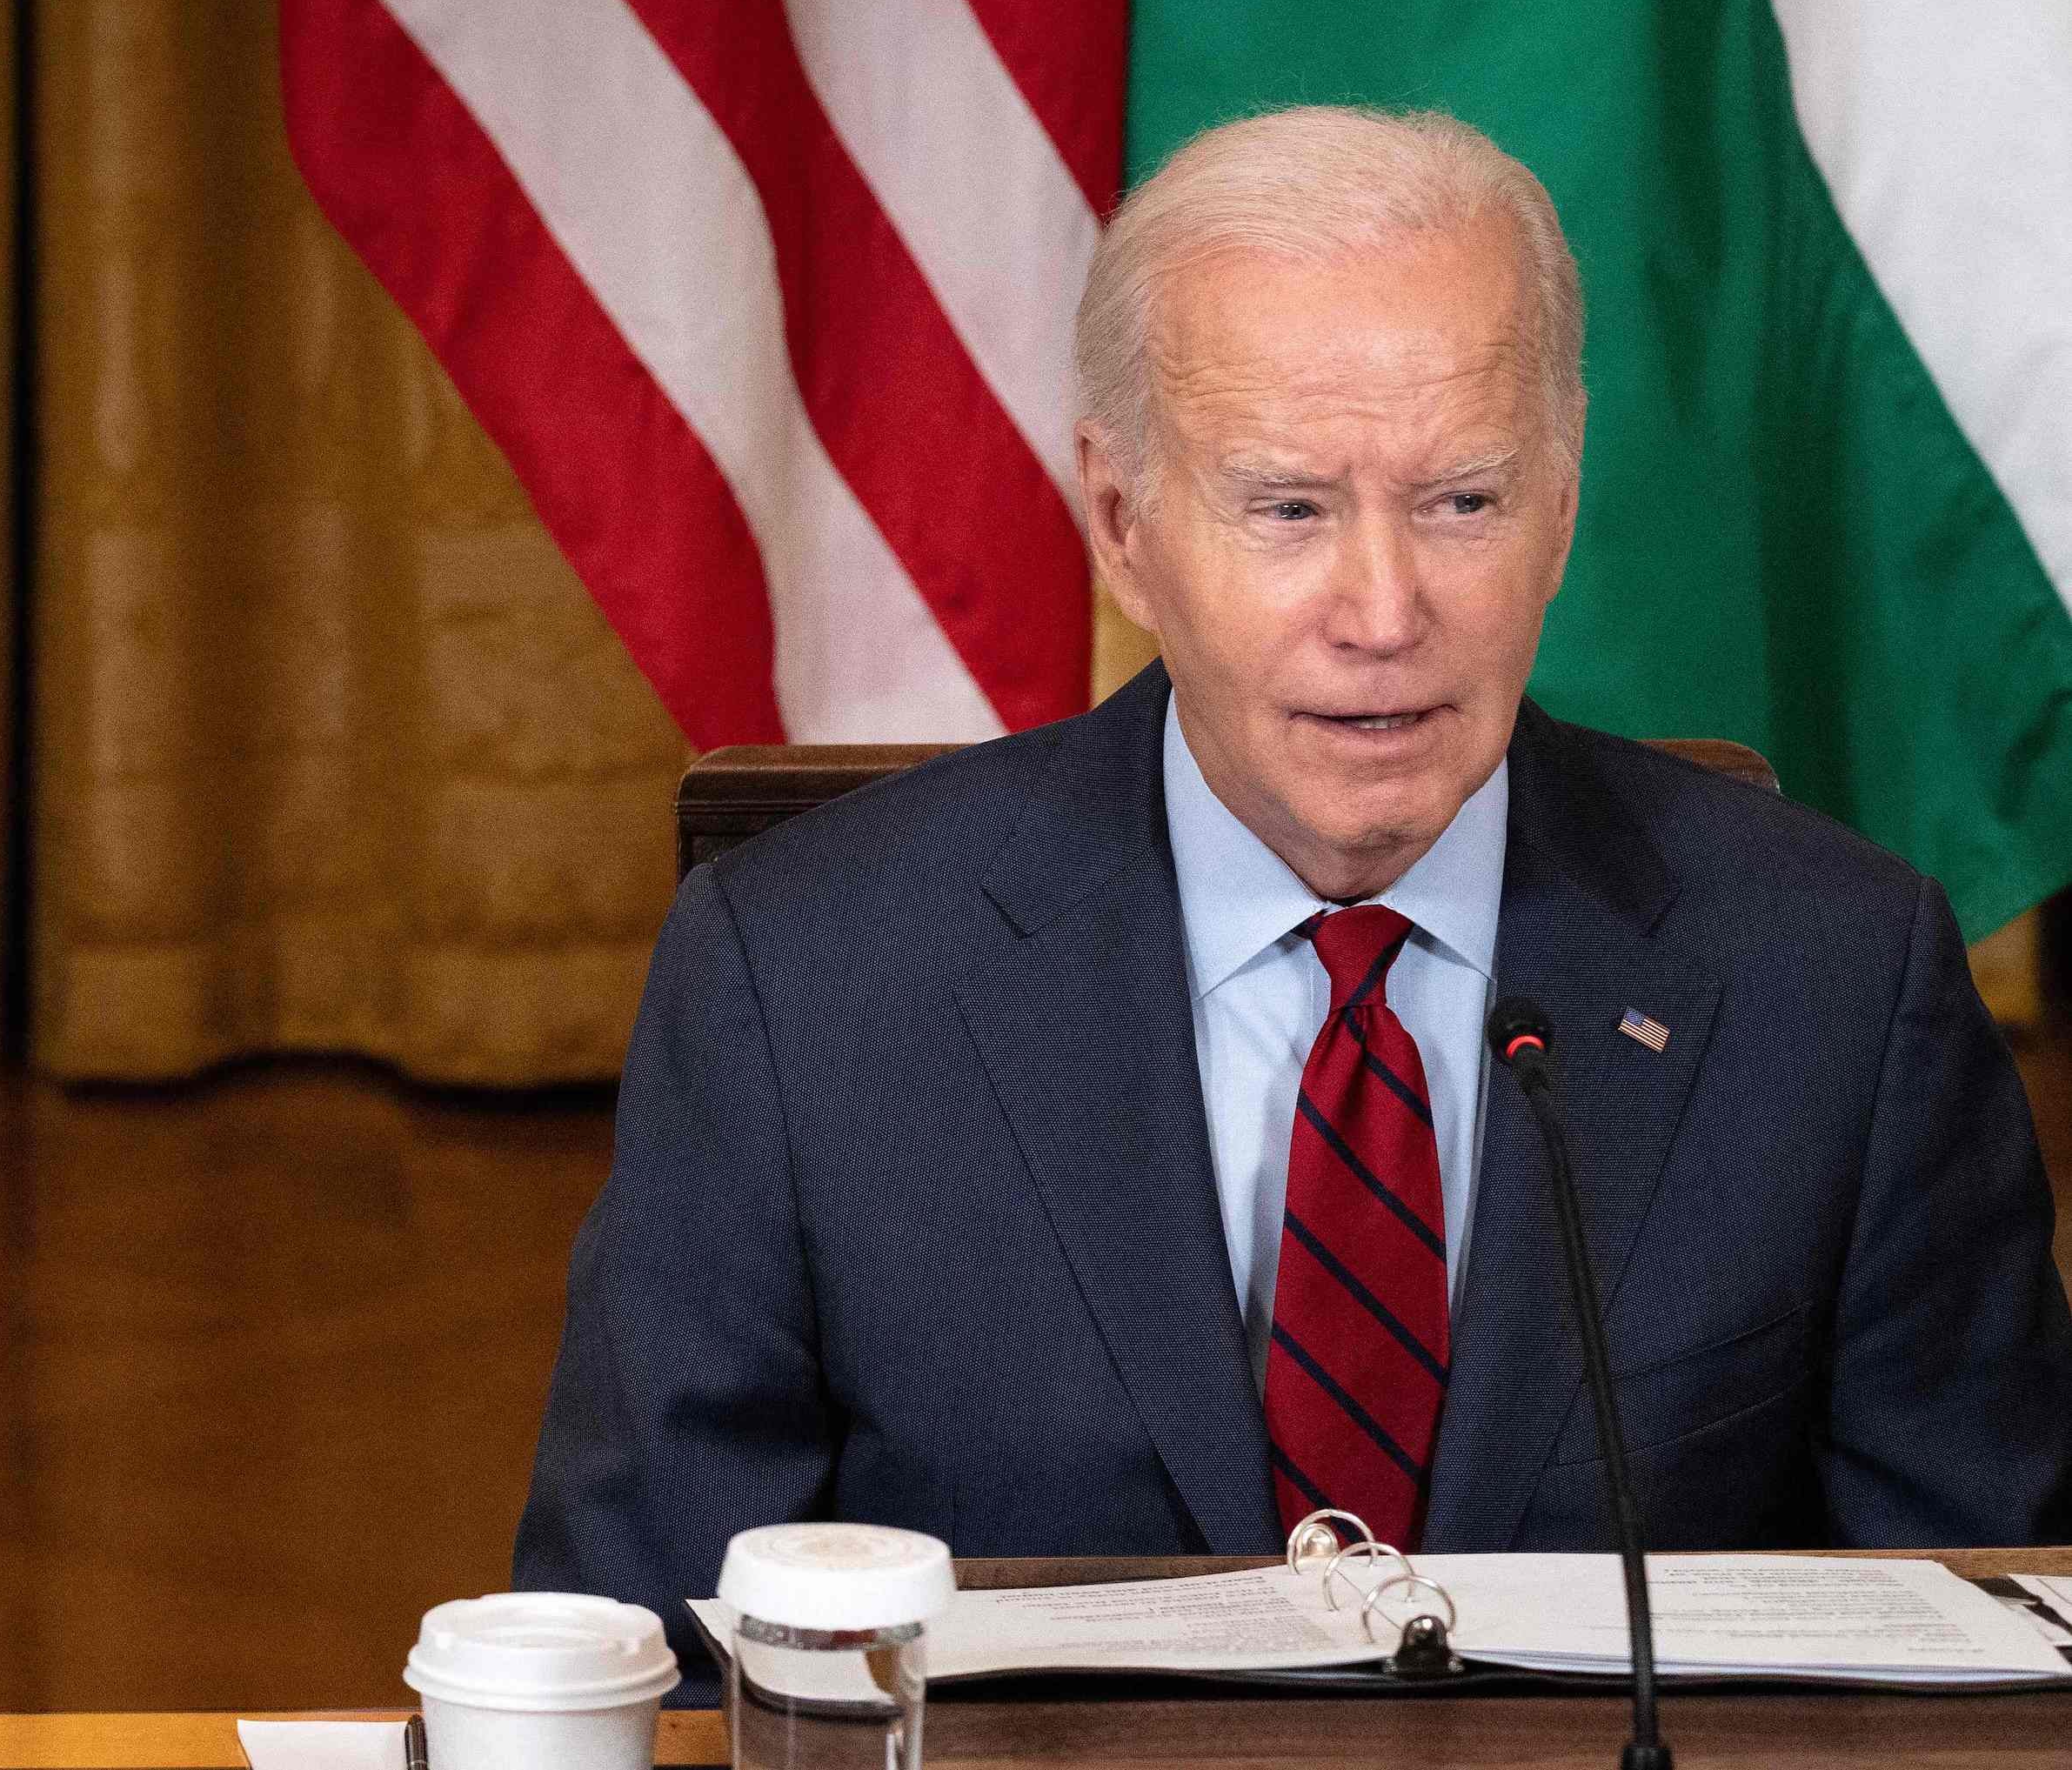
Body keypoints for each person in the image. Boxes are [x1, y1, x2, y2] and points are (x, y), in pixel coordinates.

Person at [518, 106, 2072, 1692]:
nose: (1385, 612)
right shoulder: (805, 980)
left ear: (1562, 506)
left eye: (1462, 499)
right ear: (1125, 527)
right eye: (1290, 510)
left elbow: (1996, 1658)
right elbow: (652, 1672)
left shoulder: (1837, 975)